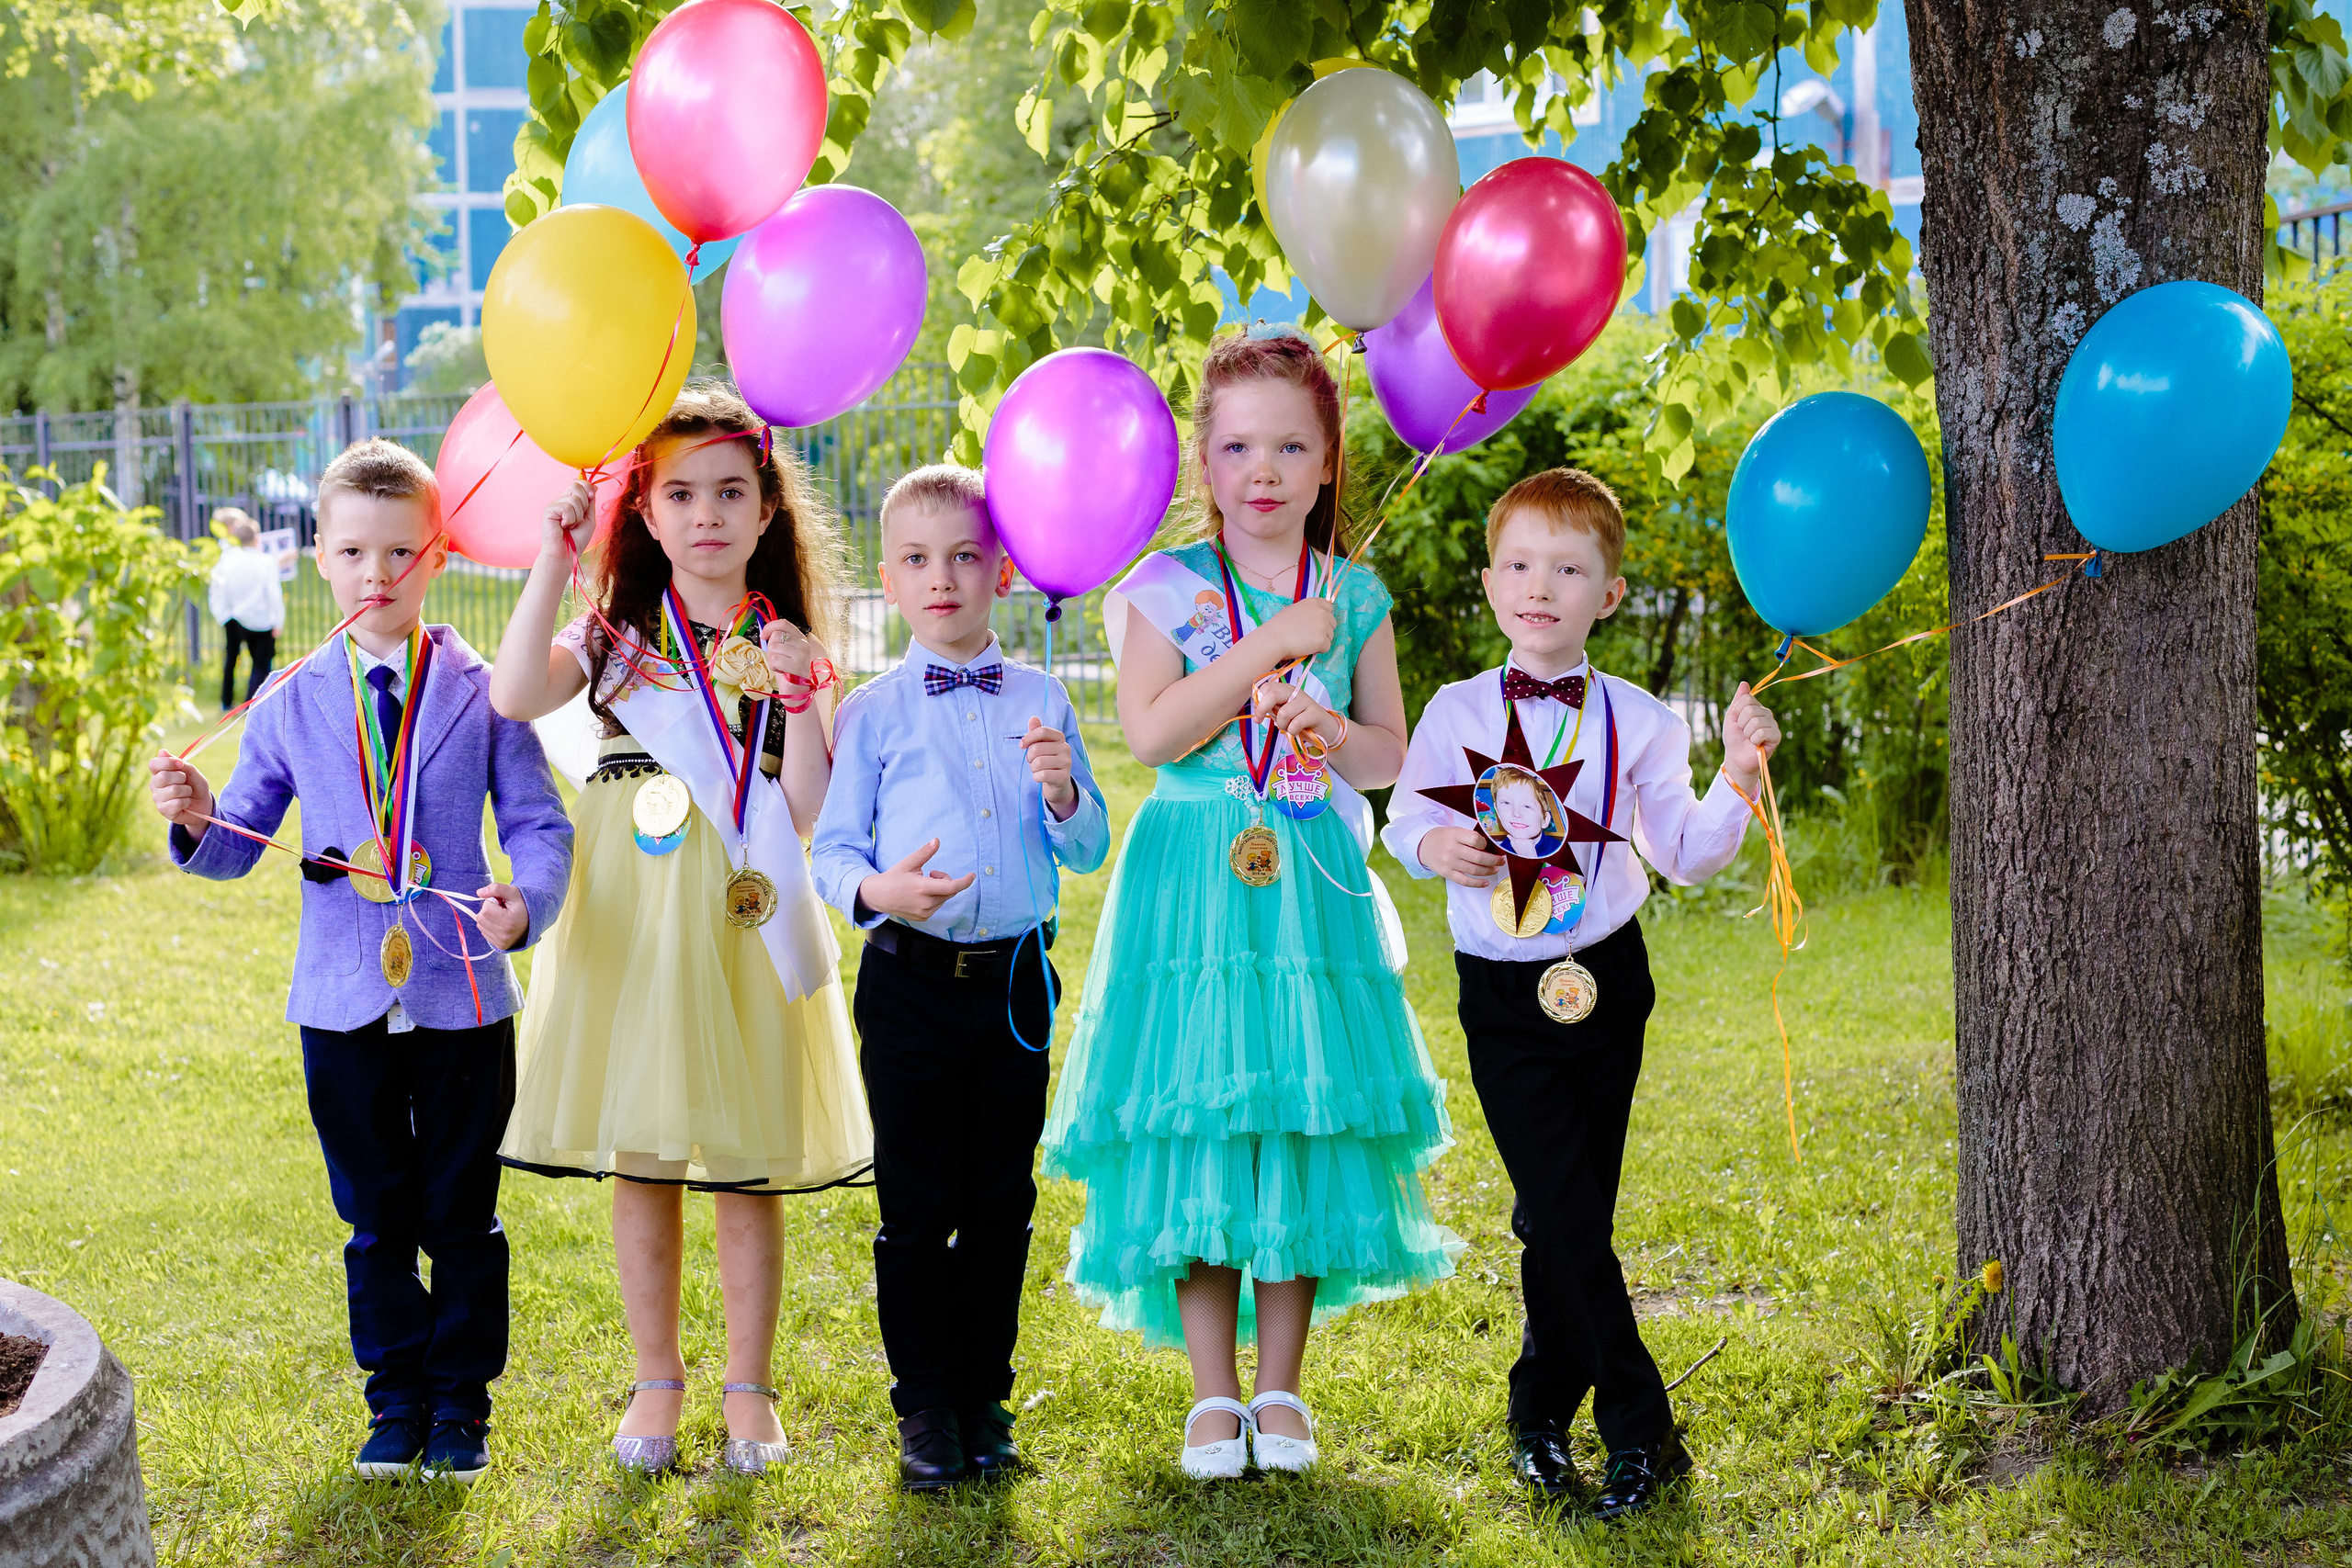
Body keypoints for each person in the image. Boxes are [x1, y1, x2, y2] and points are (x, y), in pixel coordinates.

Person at [1042, 329, 1461, 1480]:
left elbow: (1389, 755)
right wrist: (1271, 647)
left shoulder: (1354, 593)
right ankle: (1209, 1392)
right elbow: (1153, 732)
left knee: (1290, 1108)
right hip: (1192, 872)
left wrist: (1331, 725)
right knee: (1198, 1110)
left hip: (1305, 877)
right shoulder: (1166, 587)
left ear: (1329, 462)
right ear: (1203, 462)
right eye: (1236, 447)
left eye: (1290, 445)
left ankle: (1280, 1386)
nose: (1263, 469)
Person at [147, 440, 572, 1485]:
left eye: (400, 550)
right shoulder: (291, 697)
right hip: (339, 1001)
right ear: (321, 564)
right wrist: (200, 821)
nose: (376, 574)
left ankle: (461, 1406)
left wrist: (531, 903)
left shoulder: (486, 689)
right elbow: (242, 836)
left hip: (463, 993)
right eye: (353, 552)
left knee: (462, 1213)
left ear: (438, 556)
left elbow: (537, 819)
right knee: (375, 1217)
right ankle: (394, 1403)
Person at [1382, 468, 1782, 1522]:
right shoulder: (1456, 709)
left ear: (1607, 593)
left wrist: (1737, 771)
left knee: (1565, 1216)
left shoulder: (1641, 720)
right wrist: (1436, 842)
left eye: (1567, 569)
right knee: (1561, 1211)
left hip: (1606, 982)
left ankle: (1537, 1413)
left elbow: (1686, 856)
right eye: (1518, 564)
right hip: (1501, 996)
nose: (1539, 586)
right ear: (1487, 582)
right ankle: (1644, 1431)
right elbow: (1398, 825)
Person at [488, 384, 872, 1478]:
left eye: (730, 493)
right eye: (680, 494)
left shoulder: (789, 642)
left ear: (766, 513)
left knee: (746, 1154)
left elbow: (801, 812)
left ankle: (748, 1384)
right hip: (632, 904)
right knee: (644, 1154)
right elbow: (516, 691)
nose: (706, 514)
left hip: (740, 903)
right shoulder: (613, 638)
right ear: (646, 516)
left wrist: (800, 703)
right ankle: (656, 1375)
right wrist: (555, 558)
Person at [809, 464, 1110, 1491]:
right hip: (908, 988)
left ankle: (985, 1396)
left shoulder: (1042, 697)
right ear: (888, 580)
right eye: (918, 560)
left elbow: (1086, 847)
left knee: (1001, 1200)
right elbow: (831, 853)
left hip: (1015, 985)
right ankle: (924, 1405)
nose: (944, 578)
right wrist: (878, 892)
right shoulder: (874, 711)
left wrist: (1065, 790)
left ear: (1004, 570)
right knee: (915, 1203)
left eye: (965, 556)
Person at [208, 506, 284, 711]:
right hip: (261, 621)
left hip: (234, 618)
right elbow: (273, 595)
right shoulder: (266, 562)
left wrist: (222, 614)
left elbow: (217, 588)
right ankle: (252, 703)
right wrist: (278, 621)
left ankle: (226, 701)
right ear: (257, 539)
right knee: (261, 665)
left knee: (230, 660)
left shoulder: (228, 559)